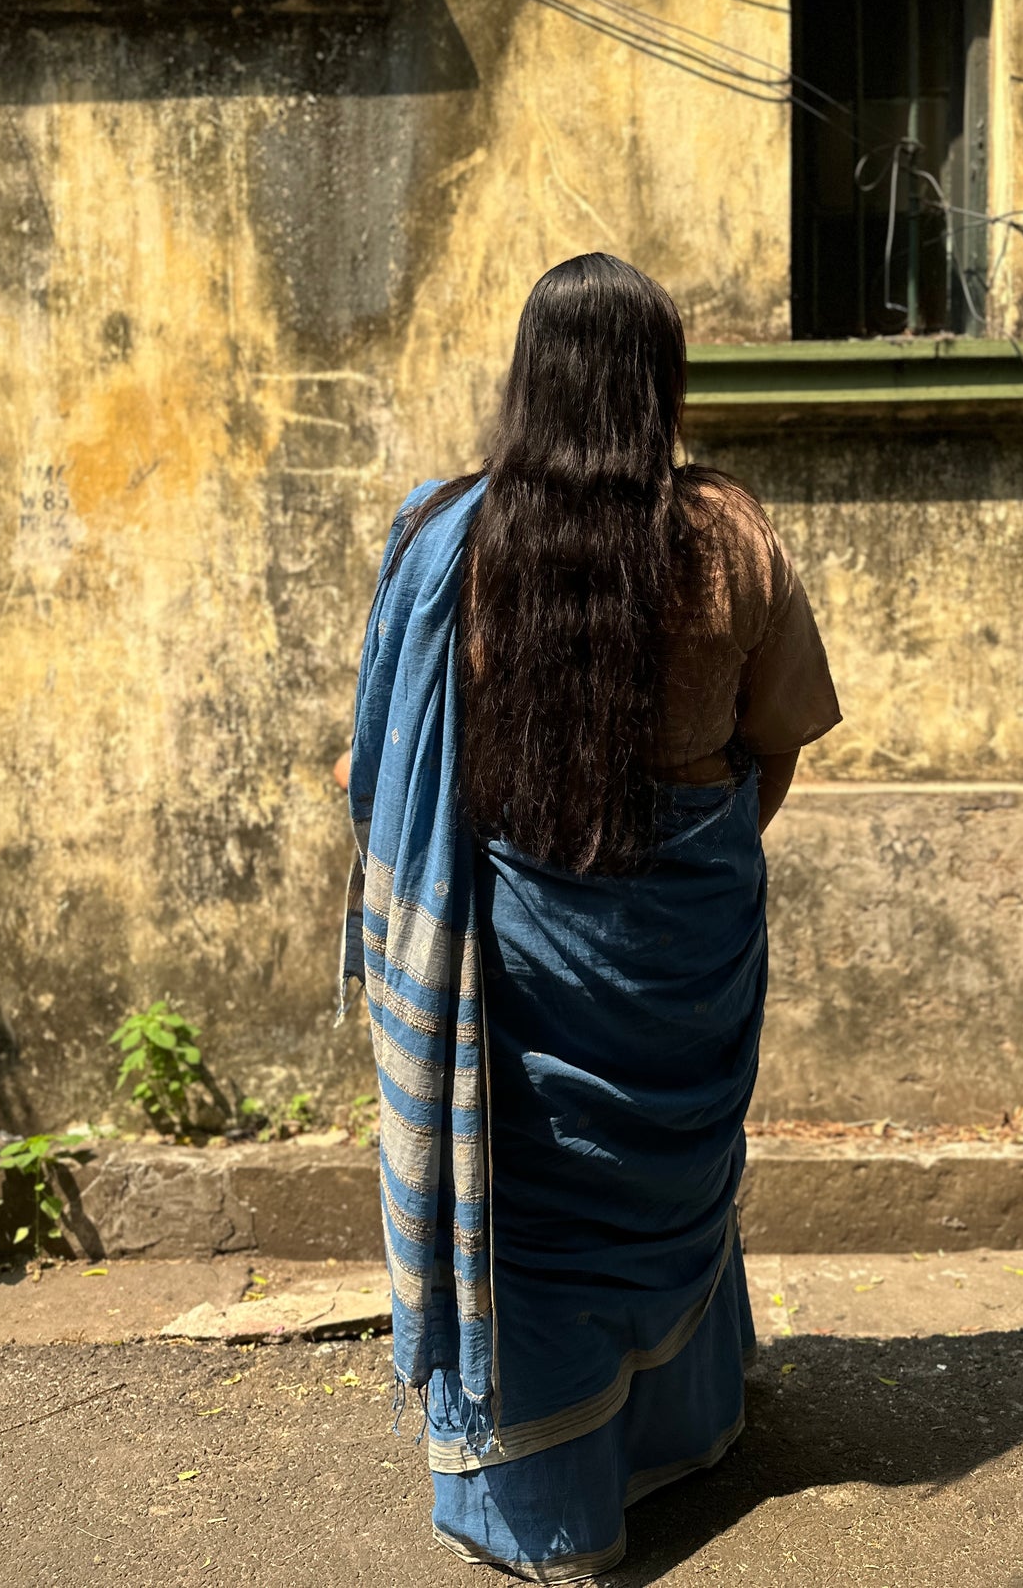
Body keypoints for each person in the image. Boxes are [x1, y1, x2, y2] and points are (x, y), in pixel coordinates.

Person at [338, 252, 840, 1580]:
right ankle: (677, 1431)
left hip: (509, 948)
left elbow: (381, 764)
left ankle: (545, 1507)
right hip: (685, 943)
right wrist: (692, 861)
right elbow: (777, 744)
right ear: (658, 382)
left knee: (536, 1203)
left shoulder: (447, 537)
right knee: (665, 1188)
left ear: (530, 378)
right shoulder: (731, 535)